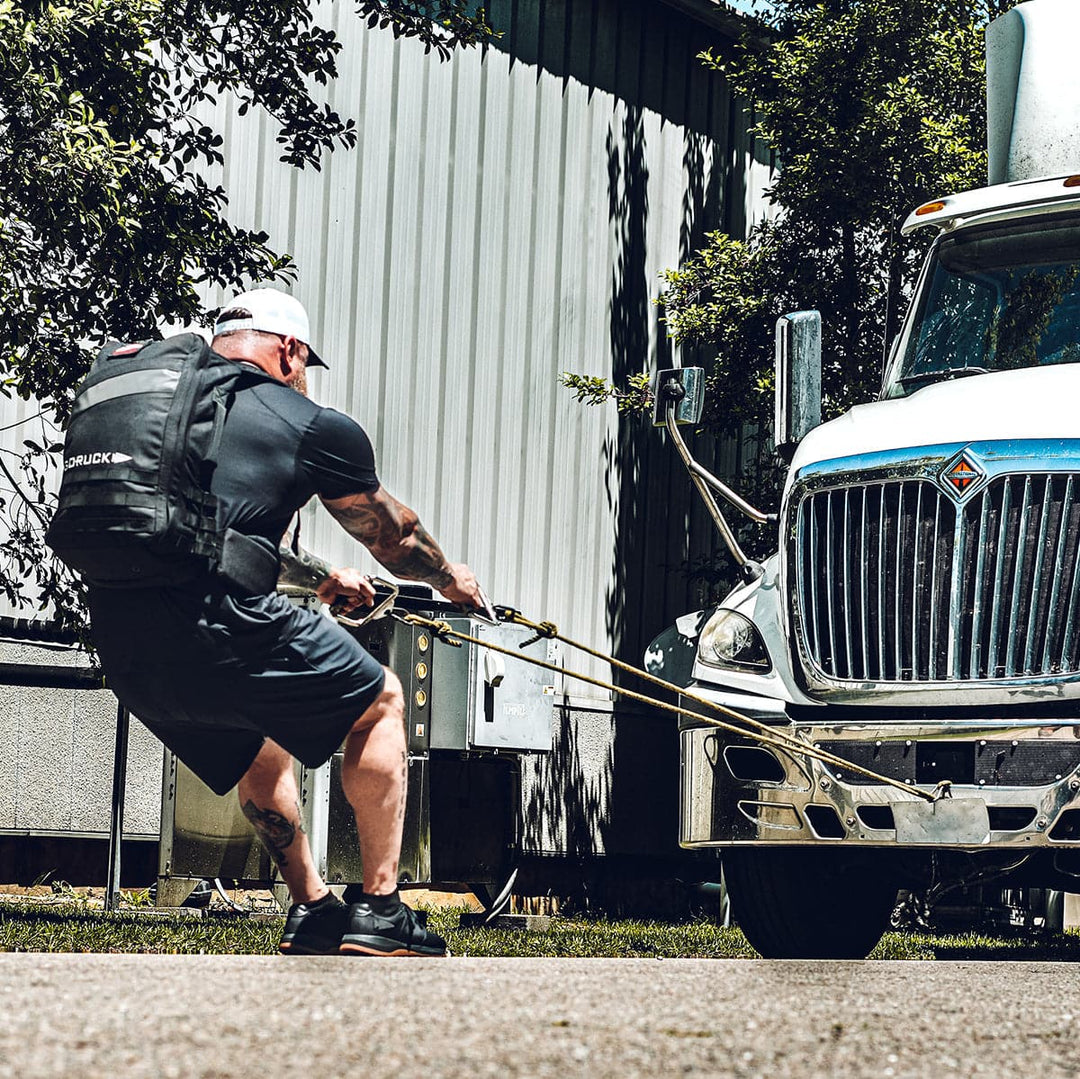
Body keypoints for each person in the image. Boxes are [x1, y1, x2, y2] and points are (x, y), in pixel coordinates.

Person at [87, 287, 485, 956]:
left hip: (123, 641)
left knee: (259, 741)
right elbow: (394, 538)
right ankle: (382, 909)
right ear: (289, 350)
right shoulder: (309, 421)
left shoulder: (176, 409)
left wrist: (322, 581)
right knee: (382, 701)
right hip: (218, 620)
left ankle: (314, 910)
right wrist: (451, 579)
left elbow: (210, 534)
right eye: (303, 363)